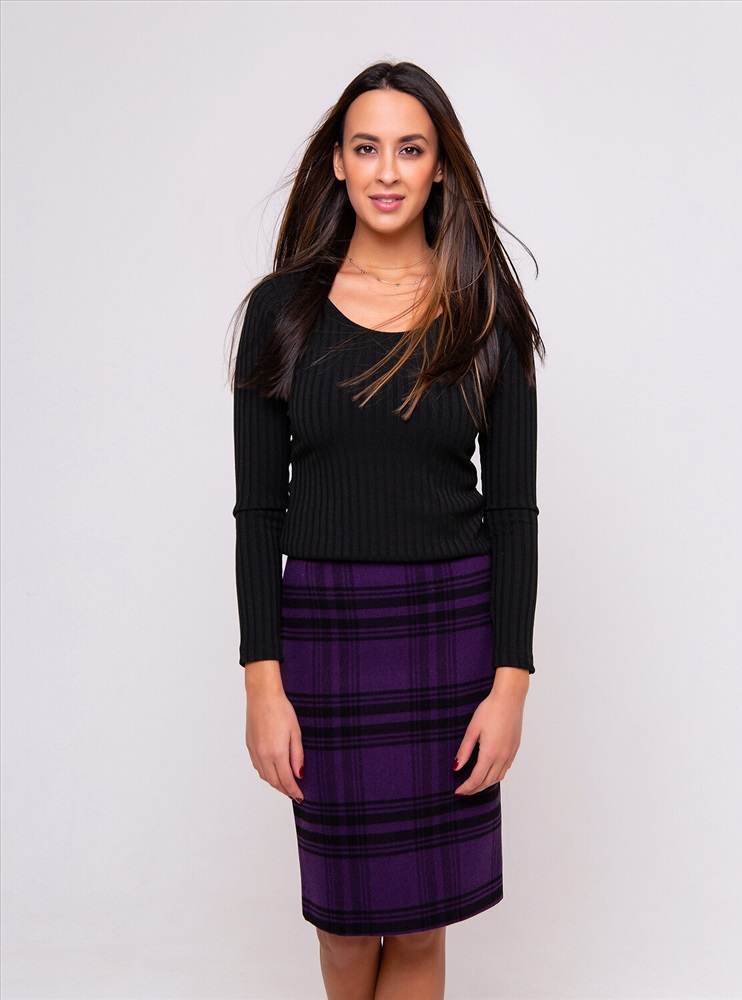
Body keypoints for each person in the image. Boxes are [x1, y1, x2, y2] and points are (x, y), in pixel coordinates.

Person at [228, 60, 544, 1000]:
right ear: (337, 161)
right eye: (366, 148)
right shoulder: (281, 312)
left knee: (418, 924)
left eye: (410, 149)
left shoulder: (486, 313)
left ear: (440, 166)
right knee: (341, 927)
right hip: (325, 638)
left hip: (450, 636)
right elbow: (258, 512)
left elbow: (514, 512)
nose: (388, 170)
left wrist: (511, 685)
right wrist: (262, 684)